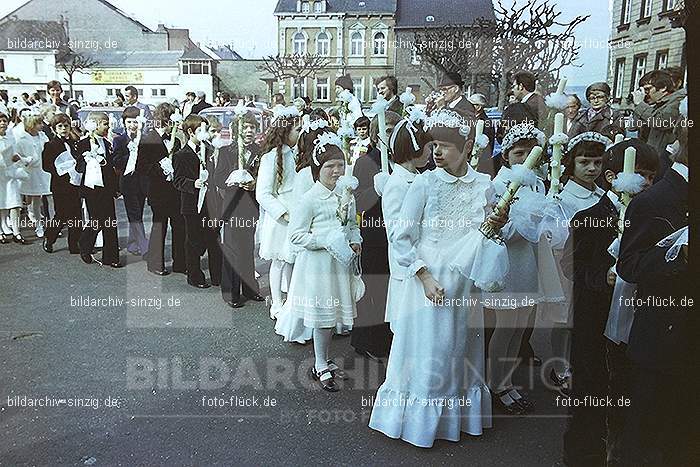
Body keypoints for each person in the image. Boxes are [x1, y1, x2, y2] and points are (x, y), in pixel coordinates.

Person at [368, 109, 510, 448]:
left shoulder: (485, 186)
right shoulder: (424, 184)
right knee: (430, 347)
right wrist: (425, 276)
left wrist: (500, 223)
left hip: (465, 281)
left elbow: (490, 233)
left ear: (466, 147)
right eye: (434, 145)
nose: (437, 152)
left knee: (460, 347)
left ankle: (455, 418)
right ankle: (416, 422)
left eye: (446, 146)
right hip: (430, 280)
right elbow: (402, 237)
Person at [560, 138, 658, 466]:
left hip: (632, 324)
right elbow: (571, 265)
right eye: (640, 173)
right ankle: (579, 456)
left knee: (625, 395)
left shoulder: (651, 217)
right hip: (594, 324)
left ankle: (616, 453)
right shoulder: (589, 217)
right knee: (589, 395)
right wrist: (601, 276)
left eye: (652, 177)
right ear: (613, 176)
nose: (646, 183)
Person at [616, 124, 694, 466]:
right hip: (665, 337)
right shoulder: (654, 200)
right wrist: (679, 255)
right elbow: (629, 265)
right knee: (649, 434)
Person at [485, 123, 562, 415]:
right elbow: (497, 231)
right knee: (505, 327)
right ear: (506, 156)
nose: (525, 158)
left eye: (531, 153)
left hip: (530, 262)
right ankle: (496, 385)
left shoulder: (539, 183)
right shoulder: (499, 185)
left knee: (520, 328)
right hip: (509, 263)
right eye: (519, 153)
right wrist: (529, 221)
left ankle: (507, 380)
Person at [285, 133, 362, 391]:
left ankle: (326, 359)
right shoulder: (309, 198)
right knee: (323, 317)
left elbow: (352, 224)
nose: (336, 170)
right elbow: (296, 235)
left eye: (340, 164)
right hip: (318, 267)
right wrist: (326, 239)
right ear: (319, 169)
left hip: (339, 265)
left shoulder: (347, 194)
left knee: (334, 316)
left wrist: (355, 240)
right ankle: (320, 364)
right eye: (330, 166)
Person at [546, 131, 610, 394]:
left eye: (597, 162)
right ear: (571, 162)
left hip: (593, 266)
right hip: (568, 263)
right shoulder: (562, 199)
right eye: (585, 162)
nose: (592, 168)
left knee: (586, 318)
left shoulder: (603, 196)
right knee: (565, 319)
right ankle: (560, 368)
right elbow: (555, 237)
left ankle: (582, 364)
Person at [350, 110, 400, 359]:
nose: (390, 133)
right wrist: (376, 192)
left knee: (390, 287)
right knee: (373, 286)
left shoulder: (399, 159)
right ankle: (366, 338)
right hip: (374, 232)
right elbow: (357, 201)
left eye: (394, 128)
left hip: (396, 232)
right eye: (386, 129)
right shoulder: (364, 161)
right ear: (375, 134)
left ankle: (386, 335)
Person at [379, 111, 432, 334]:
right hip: (406, 265)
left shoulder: (415, 177)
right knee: (407, 328)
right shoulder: (398, 183)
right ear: (414, 149)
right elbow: (395, 231)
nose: (432, 152)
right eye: (429, 147)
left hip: (420, 258)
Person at [214, 112, 265, 307]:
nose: (249, 131)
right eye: (245, 127)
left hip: (250, 207)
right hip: (232, 207)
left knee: (247, 248)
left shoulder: (260, 152)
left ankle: (250, 289)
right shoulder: (227, 151)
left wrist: (255, 185)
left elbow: (265, 179)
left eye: (252, 127)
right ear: (236, 131)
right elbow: (218, 178)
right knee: (232, 249)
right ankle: (231, 293)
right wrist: (233, 179)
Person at [255, 106, 301, 319]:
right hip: (281, 219)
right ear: (285, 131)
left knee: (291, 260)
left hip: (294, 216)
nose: (299, 134)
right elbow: (263, 194)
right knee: (279, 262)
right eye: (296, 130)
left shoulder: (292, 154)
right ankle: (277, 303)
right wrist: (284, 214)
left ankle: (291, 300)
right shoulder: (271, 157)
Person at [136, 102, 185, 276]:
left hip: (175, 191)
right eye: (170, 120)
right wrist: (161, 167)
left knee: (179, 226)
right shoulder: (148, 140)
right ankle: (155, 263)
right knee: (159, 226)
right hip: (158, 190)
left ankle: (180, 262)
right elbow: (141, 167)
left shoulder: (176, 140)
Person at [172, 115, 220, 288]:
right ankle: (194, 276)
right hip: (192, 205)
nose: (205, 133)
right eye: (201, 130)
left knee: (213, 240)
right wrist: (193, 183)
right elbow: (177, 180)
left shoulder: (210, 150)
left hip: (210, 203)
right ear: (191, 132)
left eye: (206, 129)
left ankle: (217, 276)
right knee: (193, 241)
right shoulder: (181, 155)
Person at [74, 112, 122, 267]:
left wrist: (115, 188)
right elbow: (79, 167)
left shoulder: (107, 143)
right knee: (97, 220)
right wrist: (87, 159)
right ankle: (85, 244)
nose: (107, 127)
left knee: (110, 222)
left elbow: (110, 169)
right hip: (92, 188)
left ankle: (111, 257)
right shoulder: (83, 143)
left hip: (106, 188)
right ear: (94, 124)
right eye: (104, 123)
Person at [41, 113, 81, 254]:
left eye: (66, 126)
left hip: (74, 183)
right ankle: (49, 236)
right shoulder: (50, 145)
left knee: (76, 215)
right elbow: (46, 165)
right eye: (60, 126)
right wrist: (61, 169)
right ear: (54, 129)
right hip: (60, 185)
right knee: (61, 214)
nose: (64, 129)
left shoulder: (74, 143)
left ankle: (74, 244)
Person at [112, 106, 149, 257]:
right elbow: (116, 161)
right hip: (127, 183)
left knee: (137, 214)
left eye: (135, 121)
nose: (132, 125)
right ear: (124, 122)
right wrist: (131, 153)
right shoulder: (120, 140)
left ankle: (133, 245)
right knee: (134, 215)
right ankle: (145, 247)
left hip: (142, 183)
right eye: (129, 122)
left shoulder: (144, 139)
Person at [631, 70, 686, 156]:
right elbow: (632, 127)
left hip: (666, 160)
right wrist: (638, 106)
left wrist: (640, 105)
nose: (645, 94)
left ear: (663, 87)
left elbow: (661, 122)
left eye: (647, 89)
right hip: (653, 156)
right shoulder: (657, 104)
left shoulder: (678, 101)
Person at [16, 111, 52, 238]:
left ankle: (53, 225)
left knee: (50, 198)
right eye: (39, 123)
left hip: (45, 171)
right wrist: (27, 160)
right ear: (31, 125)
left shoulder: (43, 136)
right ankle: (38, 225)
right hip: (32, 173)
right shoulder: (22, 139)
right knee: (36, 200)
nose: (42, 125)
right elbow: (18, 156)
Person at [0, 111, 27, 244]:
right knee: (1, 204)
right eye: (0, 121)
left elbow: (15, 152)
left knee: (14, 203)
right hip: (0, 175)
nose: (2, 123)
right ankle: (1, 231)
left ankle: (17, 232)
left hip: (10, 174)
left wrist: (16, 158)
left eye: (4, 121)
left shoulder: (10, 138)